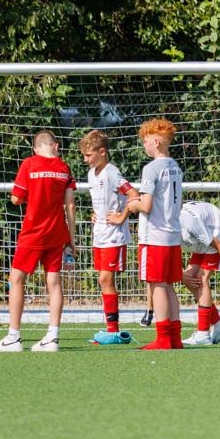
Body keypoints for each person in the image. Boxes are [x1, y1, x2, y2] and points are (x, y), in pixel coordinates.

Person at [0, 131, 77, 353]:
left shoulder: (29, 164)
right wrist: (71, 238)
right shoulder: (64, 168)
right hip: (57, 232)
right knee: (54, 282)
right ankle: (52, 337)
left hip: (33, 232)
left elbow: (16, 198)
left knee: (16, 279)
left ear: (35, 148)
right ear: (56, 146)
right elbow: (70, 204)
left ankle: (13, 337)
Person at [108, 118, 184, 350]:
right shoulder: (175, 166)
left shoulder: (151, 168)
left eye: (146, 141)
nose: (144, 145)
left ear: (156, 141)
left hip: (155, 236)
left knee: (157, 285)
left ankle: (163, 338)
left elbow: (147, 205)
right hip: (172, 234)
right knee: (169, 286)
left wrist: (133, 204)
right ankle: (175, 337)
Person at [79, 129, 138, 346]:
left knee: (105, 279)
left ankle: (113, 331)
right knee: (102, 280)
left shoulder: (112, 172)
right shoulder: (91, 174)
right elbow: (102, 202)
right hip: (100, 234)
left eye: (89, 155)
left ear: (102, 152)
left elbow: (133, 195)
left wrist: (122, 216)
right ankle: (111, 329)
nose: (85, 160)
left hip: (114, 236)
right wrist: (95, 214)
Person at [179, 200, 220, 346]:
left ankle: (203, 334)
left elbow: (218, 244)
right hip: (203, 239)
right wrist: (181, 274)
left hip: (219, 233)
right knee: (191, 279)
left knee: (201, 280)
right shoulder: (164, 225)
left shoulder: (189, 224)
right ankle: (219, 324)